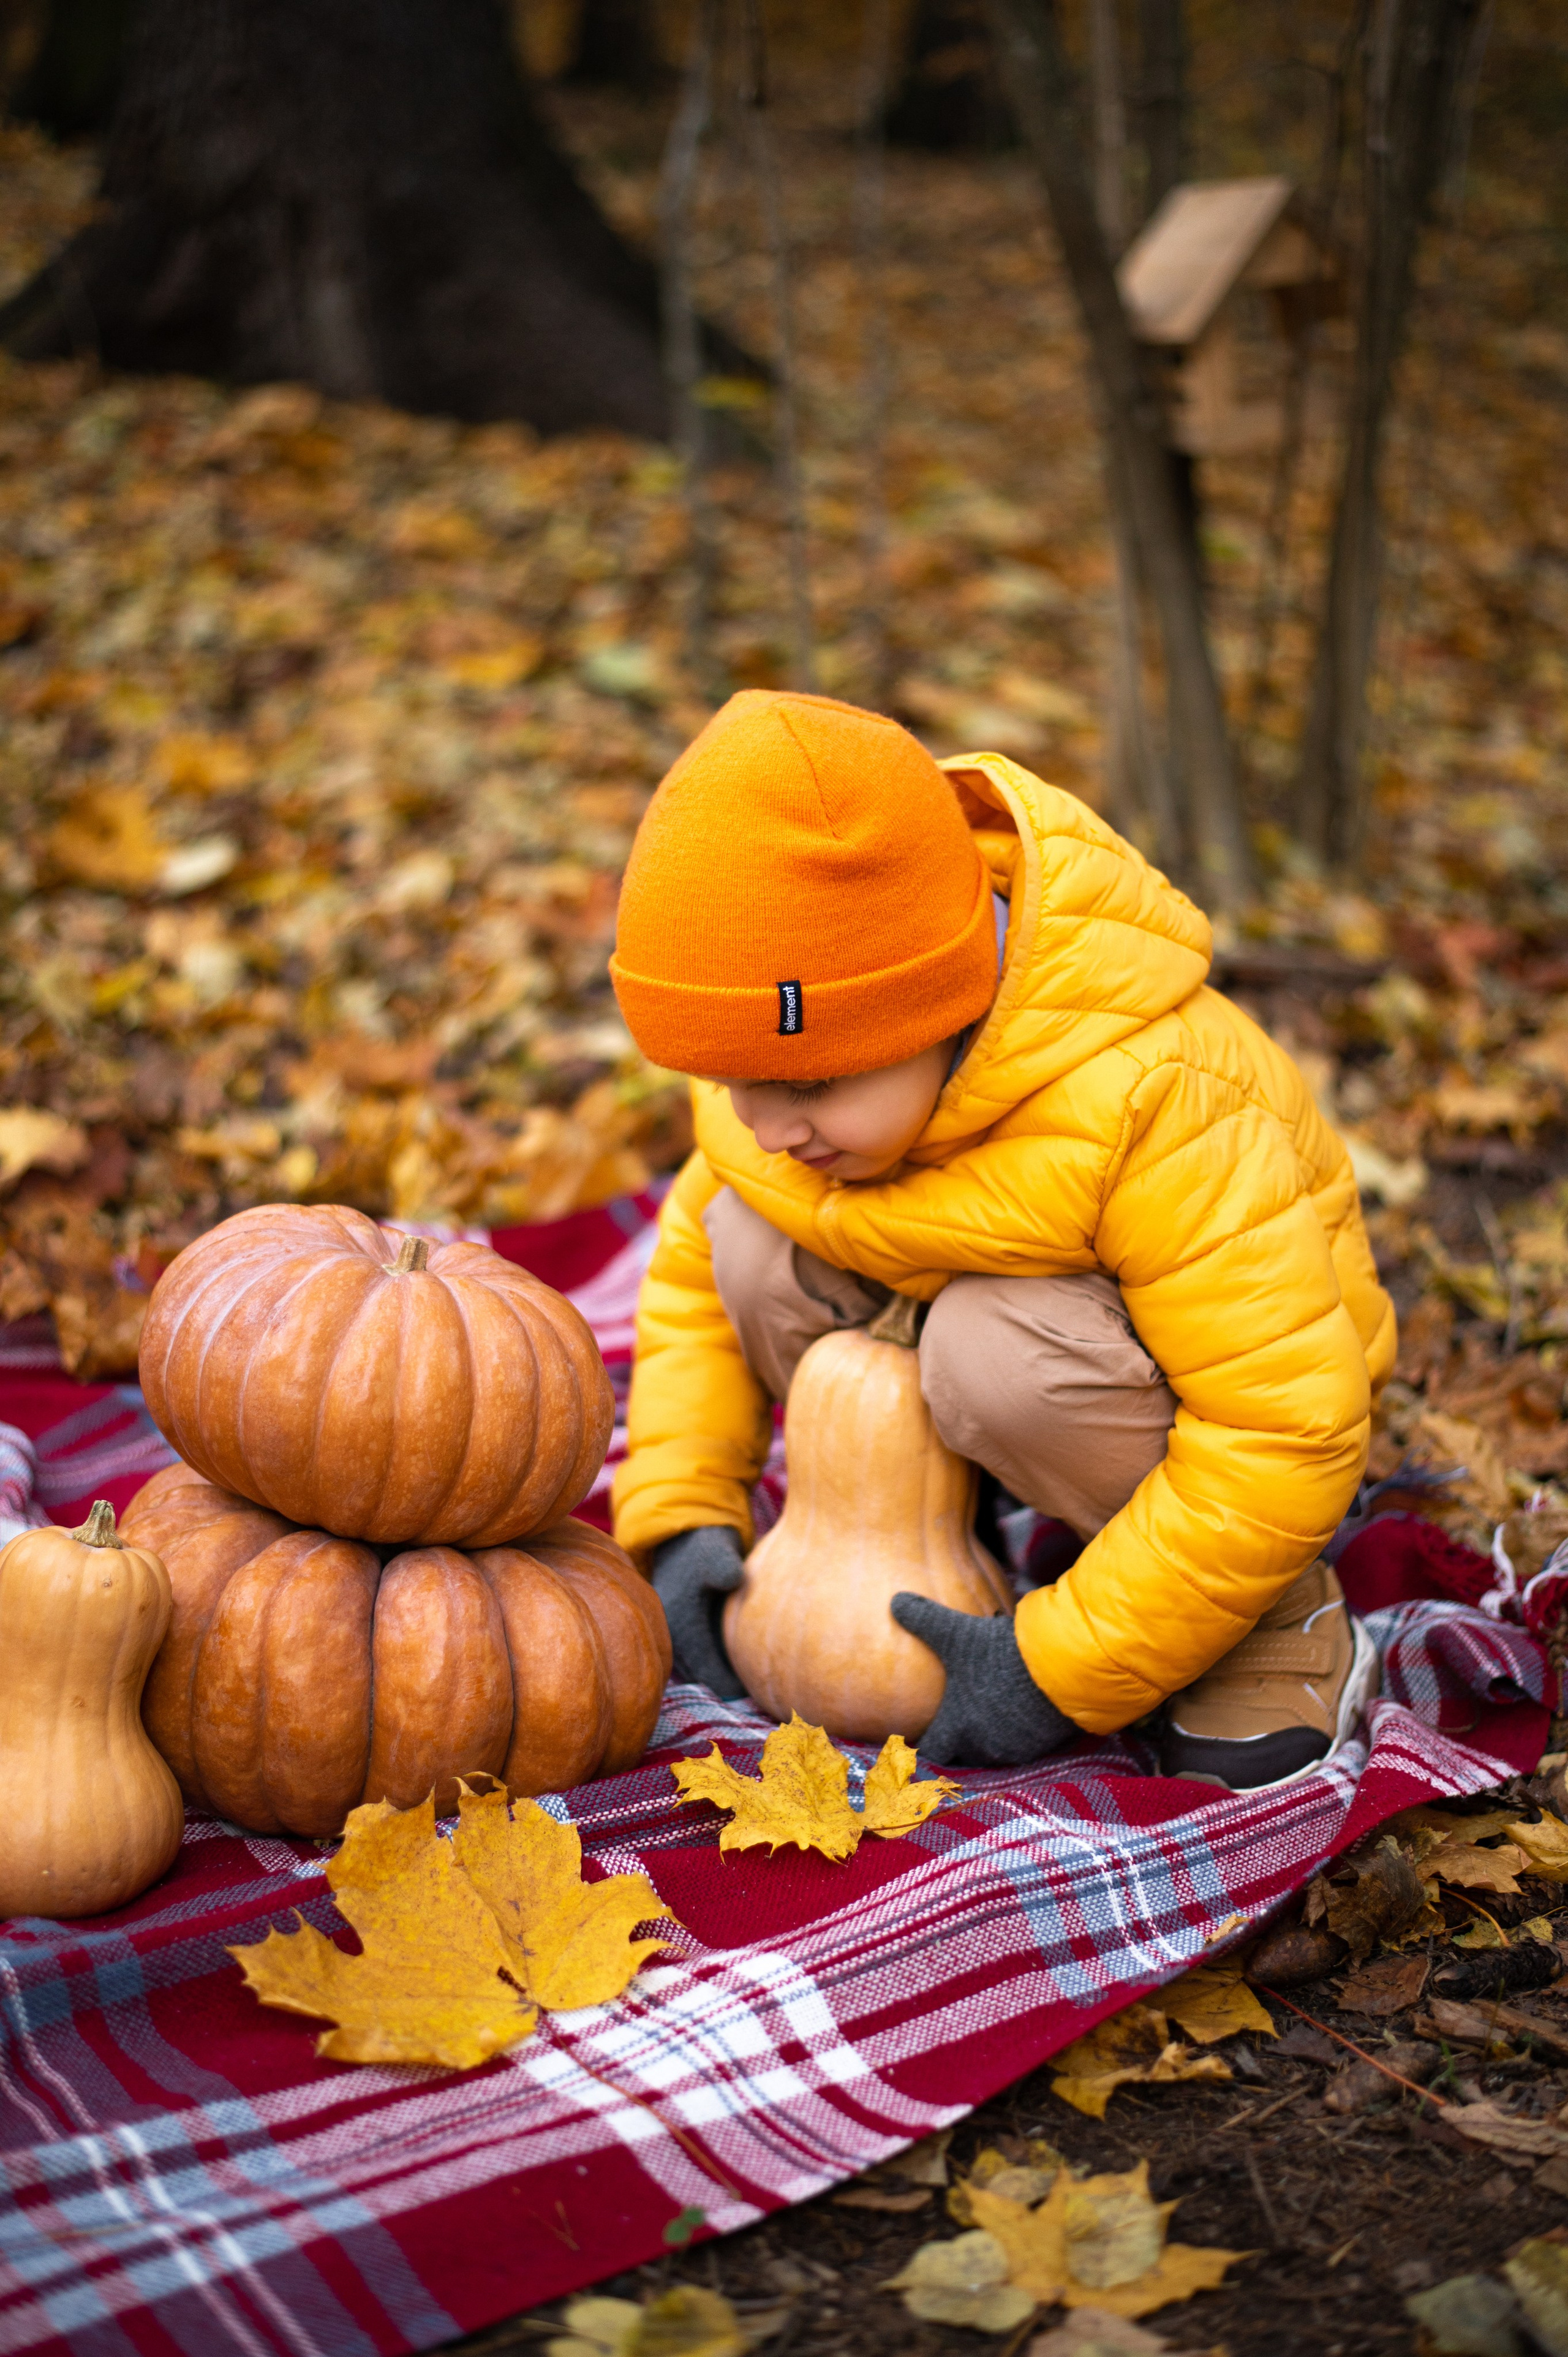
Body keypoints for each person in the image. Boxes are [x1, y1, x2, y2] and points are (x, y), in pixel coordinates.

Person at [607, 690, 1394, 1787]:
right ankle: (940, 1516)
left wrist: (1056, 1669)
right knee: (746, 1237)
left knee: (996, 1354)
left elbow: (1282, 1430)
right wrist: (683, 1515)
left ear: (941, 1009)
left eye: (808, 1085)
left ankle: (1273, 1612)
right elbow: (693, 1284)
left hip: (1225, 1422)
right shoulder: (779, 1113)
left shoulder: (1160, 1099)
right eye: (727, 1081)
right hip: (988, 1326)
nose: (765, 1126)